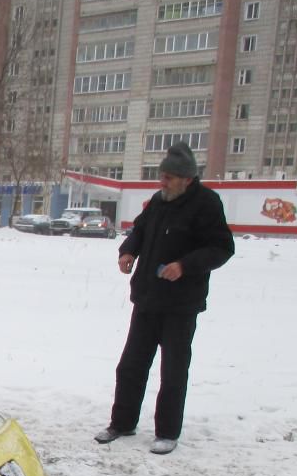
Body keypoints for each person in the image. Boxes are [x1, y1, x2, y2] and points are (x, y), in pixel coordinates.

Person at [93, 141, 234, 455]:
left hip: (181, 305)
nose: (162, 182)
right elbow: (139, 231)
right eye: (162, 176)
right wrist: (128, 251)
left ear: (187, 179)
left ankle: (167, 432)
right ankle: (122, 422)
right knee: (130, 365)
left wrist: (184, 266)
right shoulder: (159, 201)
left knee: (172, 371)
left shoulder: (207, 204)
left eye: (169, 178)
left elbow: (222, 248)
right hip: (147, 299)